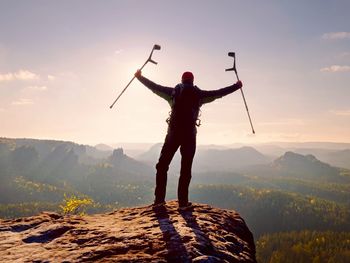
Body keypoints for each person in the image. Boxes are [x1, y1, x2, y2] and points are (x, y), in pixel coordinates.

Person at [135, 69, 242, 209]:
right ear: (192, 81)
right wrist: (236, 86)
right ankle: (183, 203)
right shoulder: (199, 95)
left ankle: (159, 201)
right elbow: (219, 93)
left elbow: (154, 87)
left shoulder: (173, 93)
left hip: (173, 134)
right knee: (185, 169)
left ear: (182, 80)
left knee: (162, 166)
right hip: (189, 136)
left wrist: (139, 77)